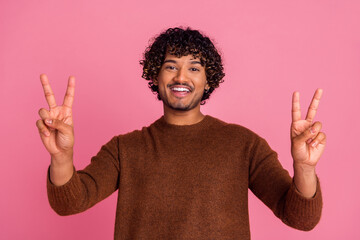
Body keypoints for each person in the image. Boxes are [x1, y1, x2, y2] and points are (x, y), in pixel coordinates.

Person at [36, 27, 326, 239]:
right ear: (155, 75)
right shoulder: (125, 149)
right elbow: (70, 203)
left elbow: (301, 218)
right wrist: (61, 157)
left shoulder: (244, 145)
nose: (181, 77)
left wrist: (304, 167)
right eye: (171, 66)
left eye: (194, 68)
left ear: (208, 80)